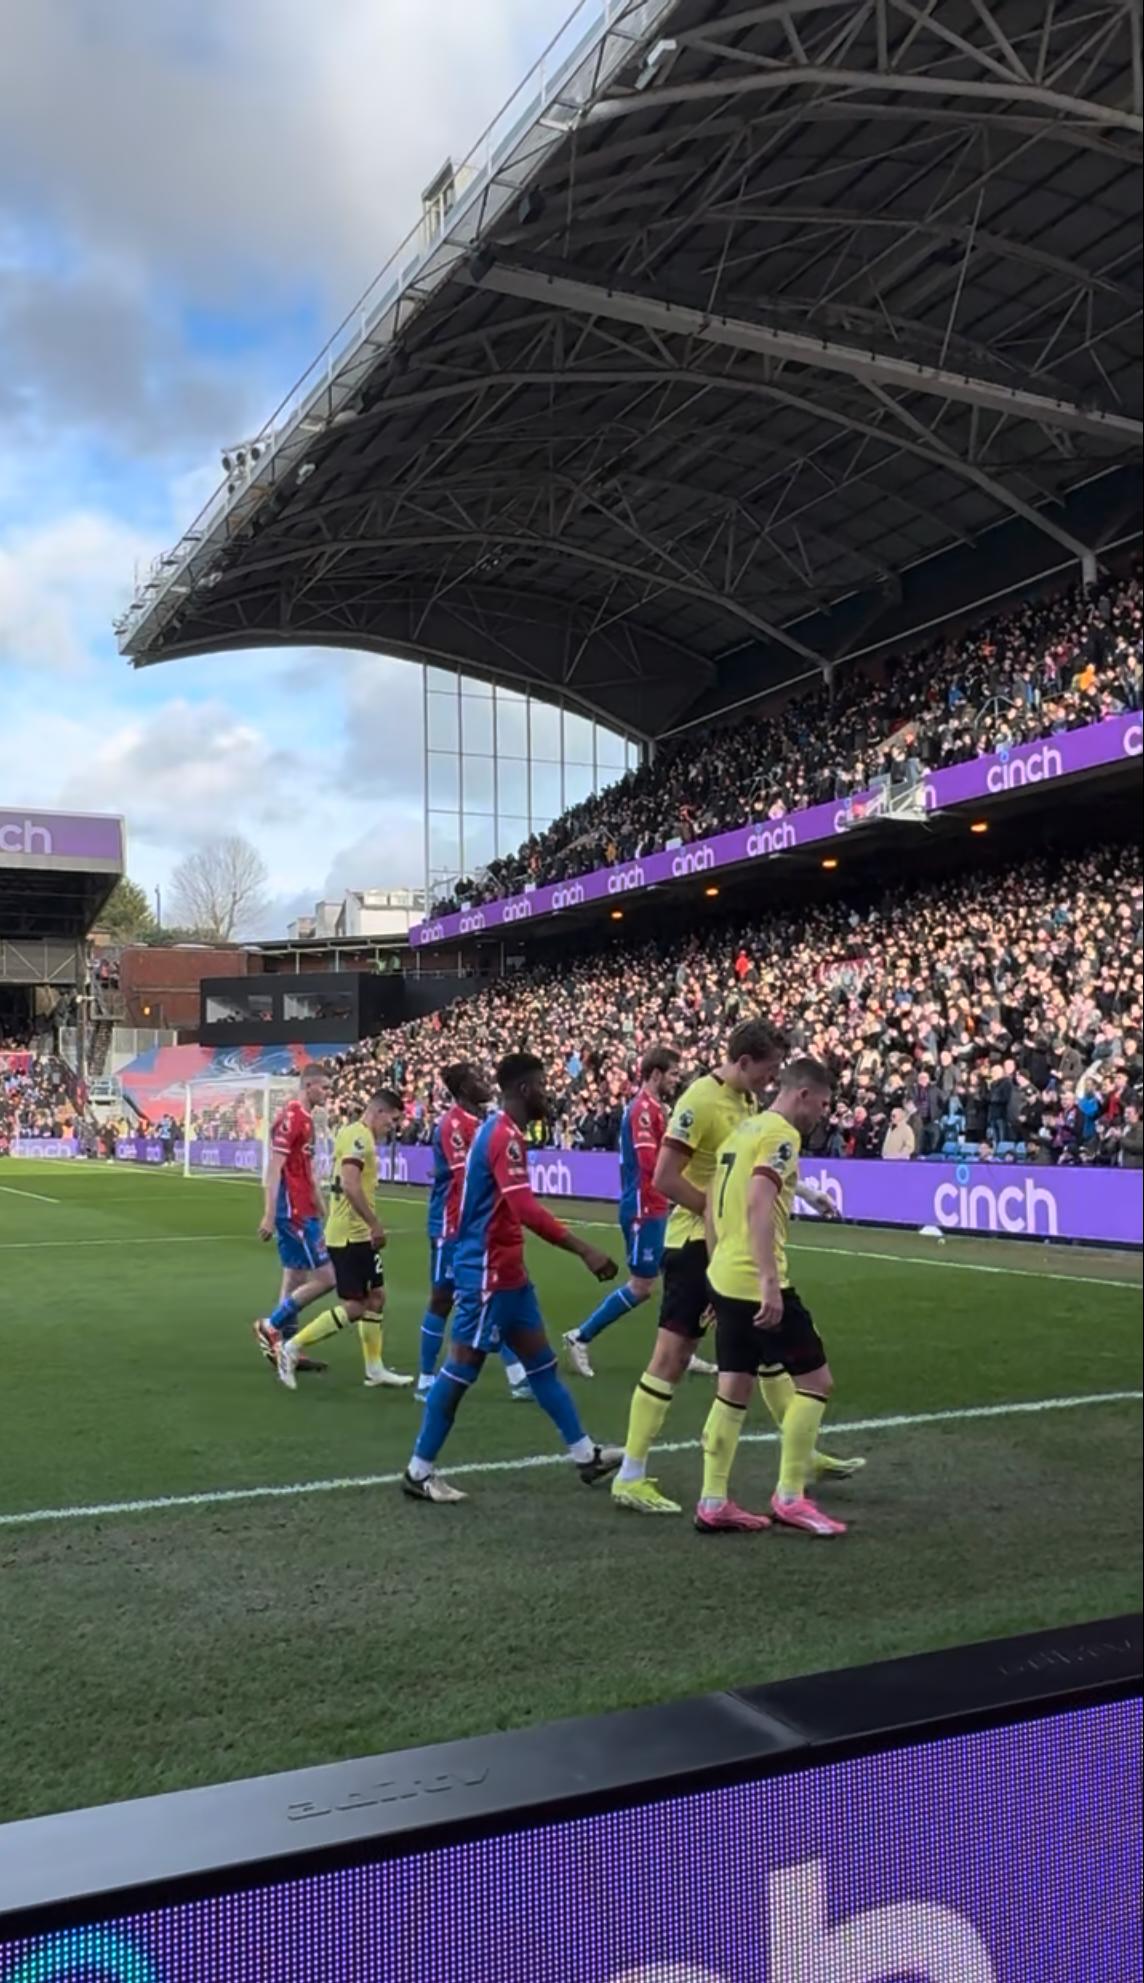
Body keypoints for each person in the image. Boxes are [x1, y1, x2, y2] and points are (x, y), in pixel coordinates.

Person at [402, 1052, 622, 1504]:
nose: (547, 1092)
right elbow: (525, 1210)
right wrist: (584, 1249)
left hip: (508, 1272)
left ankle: (585, 1456)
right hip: (486, 1271)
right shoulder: (504, 1135)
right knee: (462, 1367)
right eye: (541, 1084)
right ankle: (418, 1471)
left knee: (541, 1364)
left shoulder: (503, 1131)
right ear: (524, 1089)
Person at [610, 1018, 788, 1517]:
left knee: (764, 1340)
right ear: (744, 1062)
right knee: (672, 1355)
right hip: (693, 1245)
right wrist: (713, 1213)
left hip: (727, 1247)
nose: (768, 1084)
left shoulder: (747, 1101)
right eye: (765, 1072)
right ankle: (630, 1474)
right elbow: (665, 1177)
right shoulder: (699, 1101)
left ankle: (801, 1450)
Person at [700, 1057, 858, 1536]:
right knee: (816, 1381)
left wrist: (712, 1269)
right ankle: (790, 1496)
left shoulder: (743, 1131)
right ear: (802, 1094)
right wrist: (769, 1281)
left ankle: (712, 1500)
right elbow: (757, 1203)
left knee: (733, 1388)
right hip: (755, 1279)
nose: (823, 1114)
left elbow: (710, 1202)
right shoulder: (782, 1136)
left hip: (726, 1274)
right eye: (823, 1103)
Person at [276, 1090, 413, 1390]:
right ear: (377, 1112)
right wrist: (374, 1223)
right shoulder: (359, 1137)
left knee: (376, 1297)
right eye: (391, 1120)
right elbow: (351, 1185)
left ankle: (374, 1369)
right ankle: (291, 1347)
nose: (392, 1127)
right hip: (350, 1235)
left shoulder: (355, 1134)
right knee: (356, 1305)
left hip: (357, 1234)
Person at [563, 1045, 682, 1378]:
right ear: (655, 1074)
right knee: (642, 1286)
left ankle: (679, 1348)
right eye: (672, 1073)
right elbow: (649, 1162)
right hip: (645, 1207)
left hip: (655, 1204)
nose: (677, 1079)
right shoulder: (643, 1110)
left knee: (679, 1274)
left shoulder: (654, 1107)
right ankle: (580, 1336)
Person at [416, 1061, 531, 1404]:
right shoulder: (453, 1124)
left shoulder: (481, 1123)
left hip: (475, 1227)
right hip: (450, 1227)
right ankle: (424, 1379)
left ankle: (518, 1375)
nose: (485, 1083)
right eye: (478, 1079)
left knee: (493, 1293)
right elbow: (464, 1177)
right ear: (464, 1089)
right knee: (442, 1298)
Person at [254, 1065, 336, 1376]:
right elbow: (274, 1168)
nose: (328, 1094)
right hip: (294, 1211)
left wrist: (324, 1208)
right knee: (328, 1278)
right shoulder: (291, 1118)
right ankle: (270, 1326)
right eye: (324, 1088)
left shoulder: (307, 1120)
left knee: (295, 1277)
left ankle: (286, 1349)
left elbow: (308, 1171)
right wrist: (269, 1212)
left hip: (305, 1207)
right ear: (309, 1085)